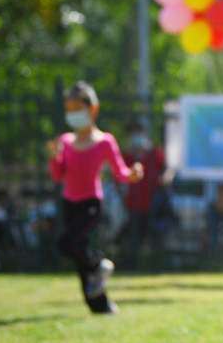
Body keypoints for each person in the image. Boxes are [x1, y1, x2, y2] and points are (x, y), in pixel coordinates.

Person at [47, 81, 143, 314]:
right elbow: (58, 175)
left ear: (92, 109)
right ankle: (100, 306)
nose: (73, 114)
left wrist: (133, 174)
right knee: (78, 256)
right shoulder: (65, 142)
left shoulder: (105, 141)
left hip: (91, 203)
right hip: (70, 202)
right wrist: (53, 157)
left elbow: (120, 173)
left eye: (77, 108)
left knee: (69, 243)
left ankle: (99, 264)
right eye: (69, 109)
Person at [119, 121, 170, 266]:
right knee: (134, 237)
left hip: (153, 203)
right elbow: (119, 177)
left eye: (138, 133)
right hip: (134, 204)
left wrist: (165, 178)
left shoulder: (155, 153)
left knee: (155, 237)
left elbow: (167, 170)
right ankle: (132, 264)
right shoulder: (128, 157)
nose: (136, 137)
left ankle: (156, 264)